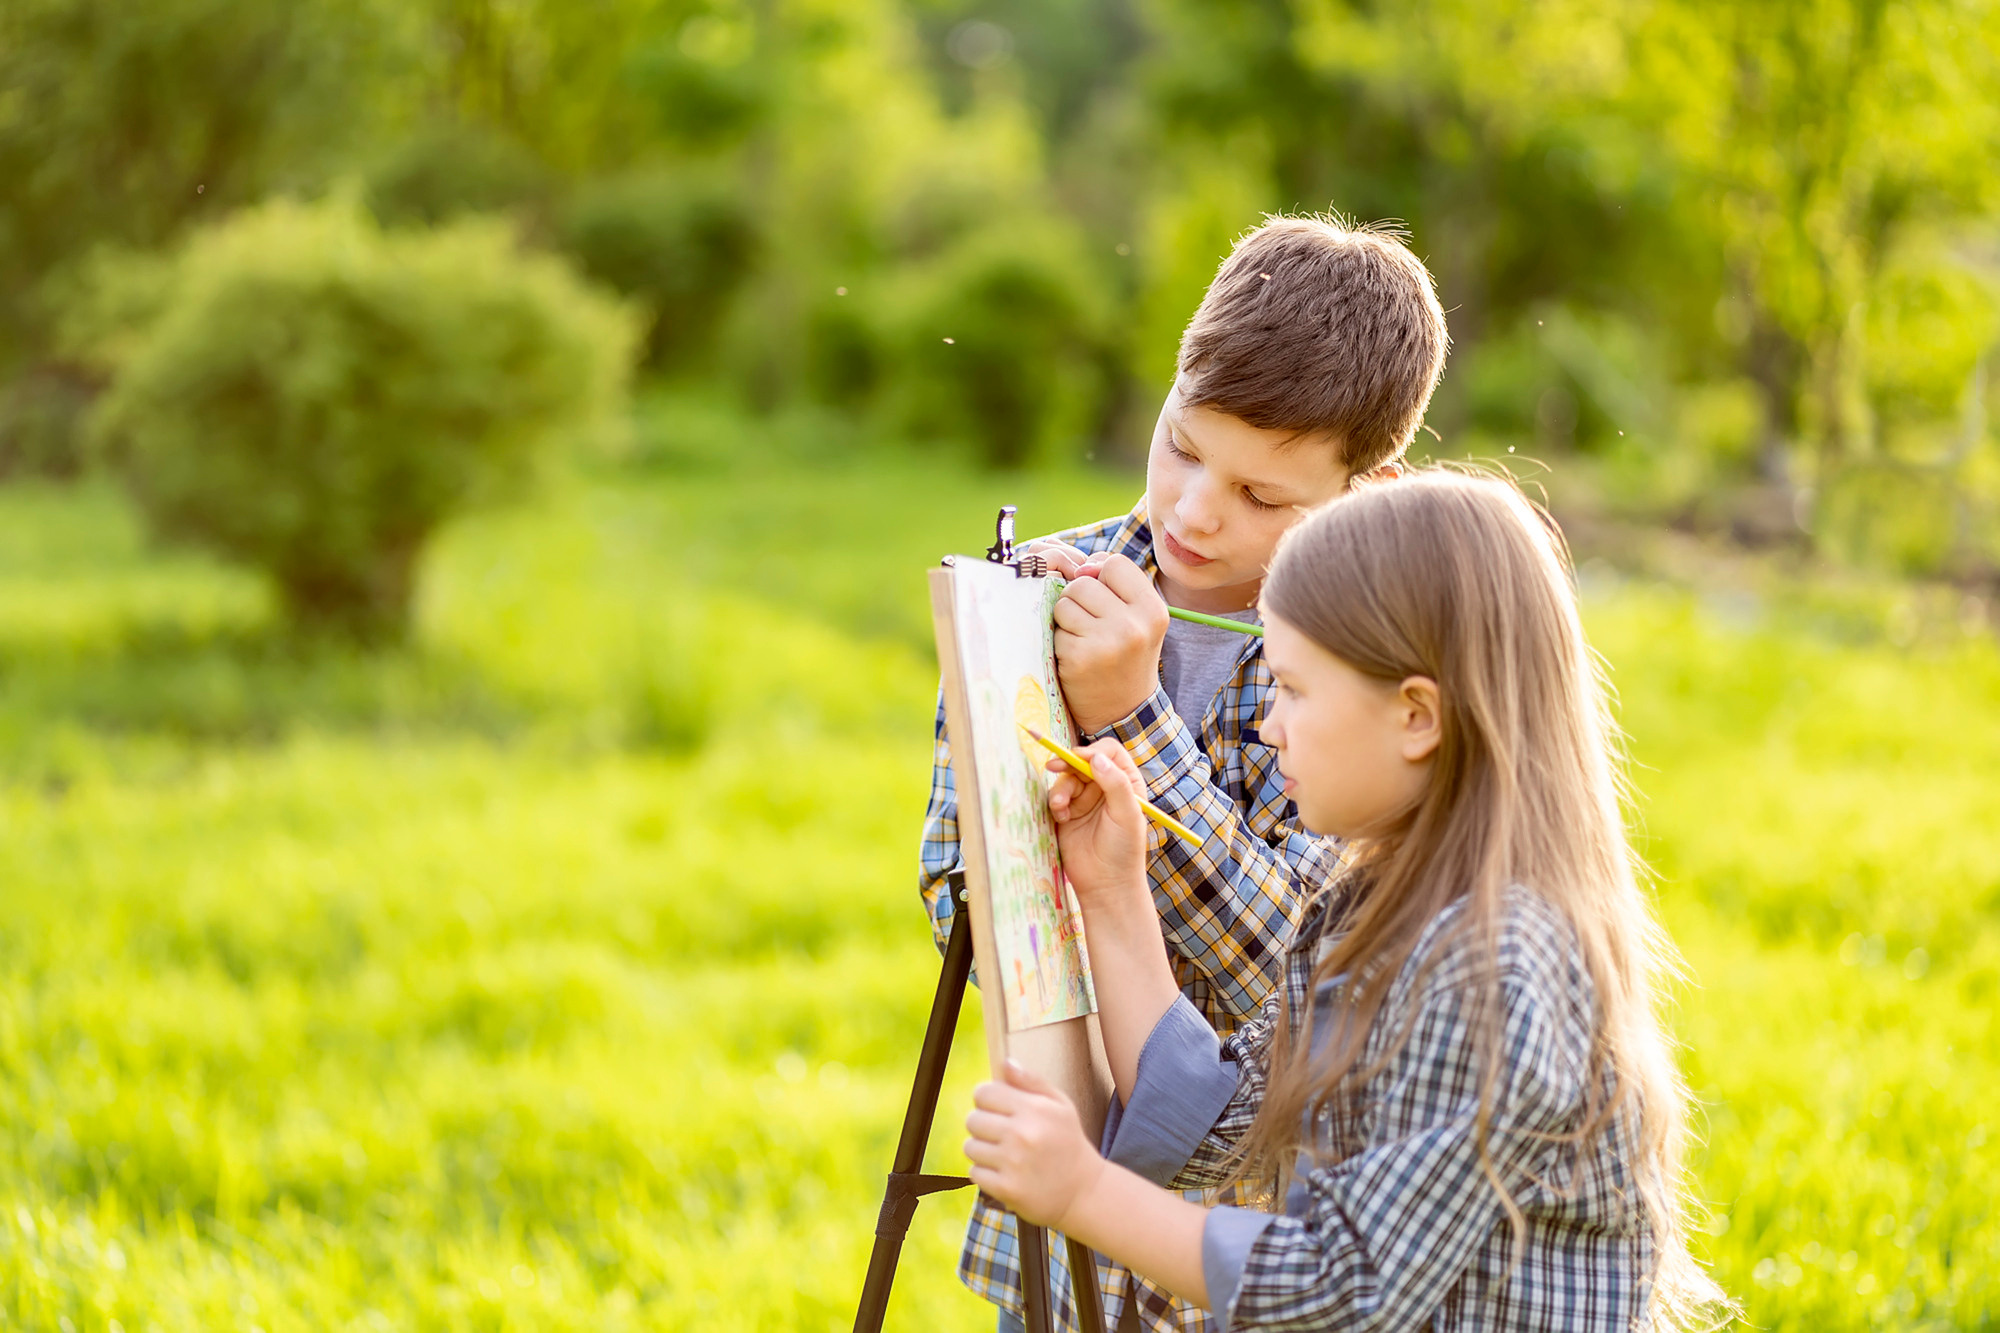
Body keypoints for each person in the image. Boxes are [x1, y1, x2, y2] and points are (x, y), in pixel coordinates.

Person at [964, 472, 1733, 1331]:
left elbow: (1345, 1287)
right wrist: (1111, 888)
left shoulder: (1497, 967)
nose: (1270, 724)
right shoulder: (1368, 906)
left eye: (1294, 689)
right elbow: (1223, 1124)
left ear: (1416, 717)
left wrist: (1082, 1189)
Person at [919, 215, 1450, 1332]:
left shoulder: (1375, 668)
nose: (1196, 509)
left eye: (1264, 497)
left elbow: (1303, 971)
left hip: (1258, 1234)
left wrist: (1131, 717)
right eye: (1181, 444)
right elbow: (953, 888)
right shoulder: (1038, 594)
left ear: (1370, 489)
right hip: (1067, 1213)